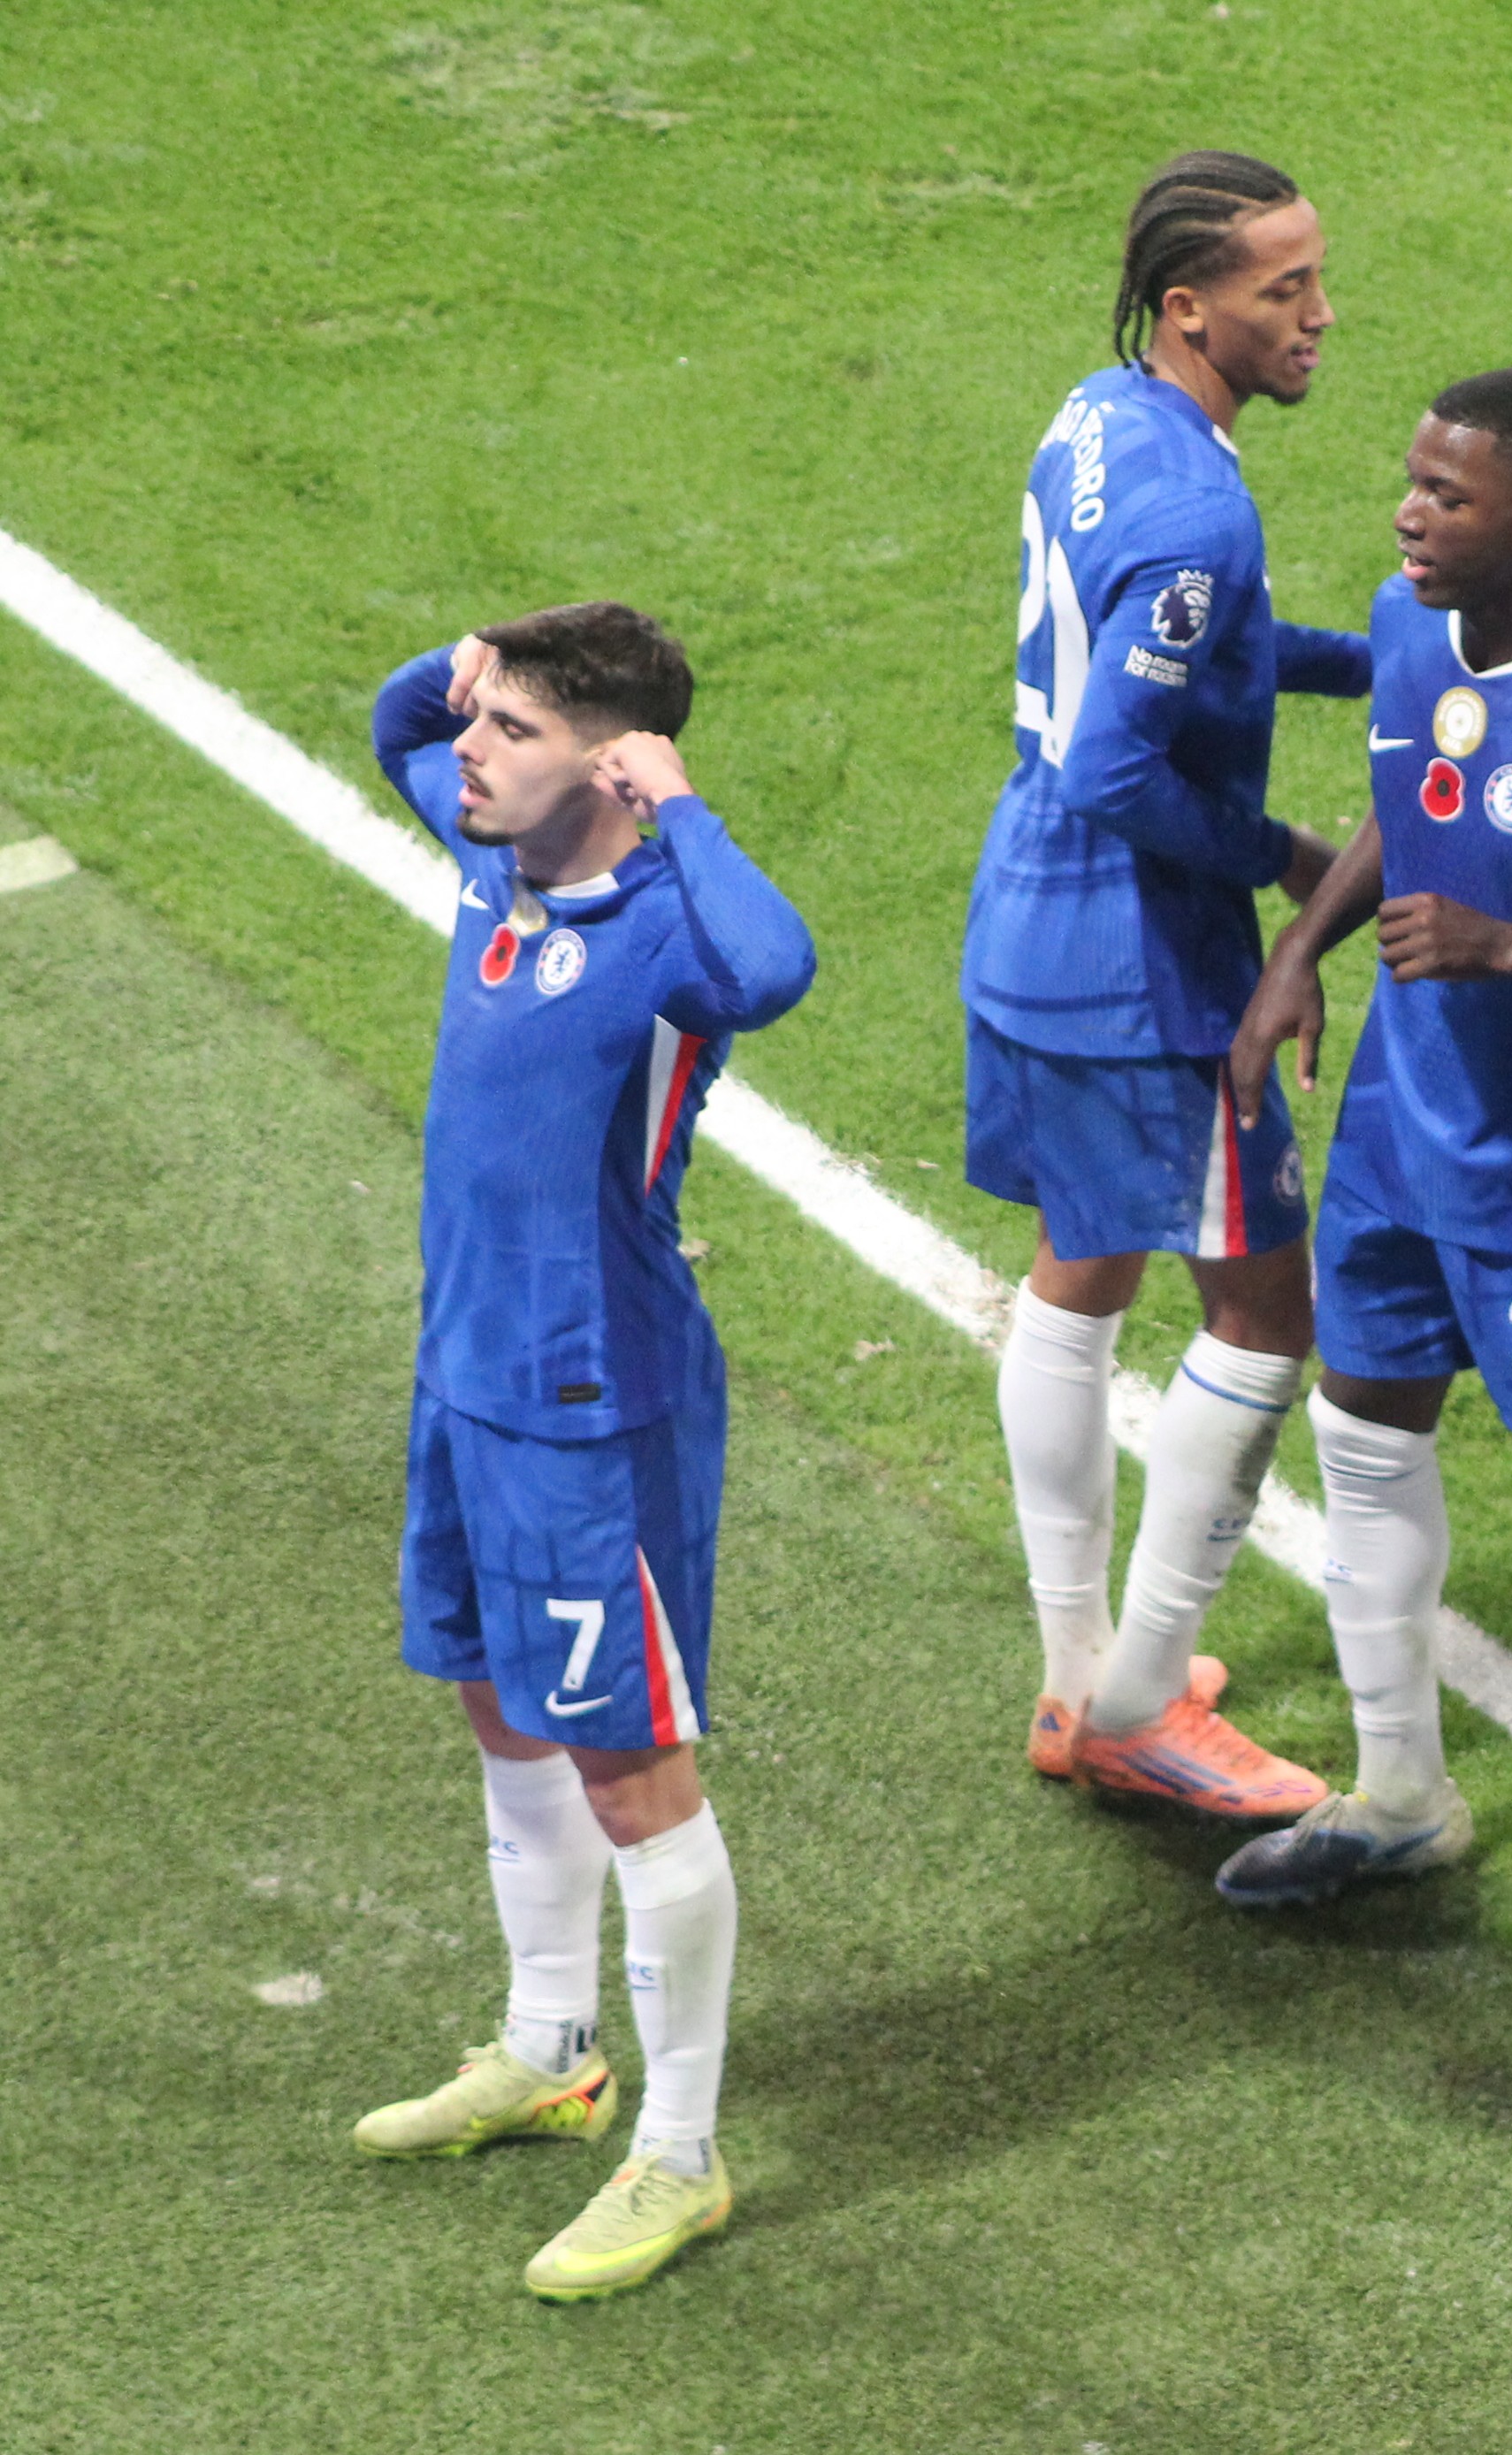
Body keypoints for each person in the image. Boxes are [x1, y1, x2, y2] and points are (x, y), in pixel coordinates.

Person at [352, 604, 816, 2300]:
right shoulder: (498, 860)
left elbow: (774, 967)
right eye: (486, 726)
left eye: (514, 733)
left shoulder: (667, 939)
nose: (469, 755)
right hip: (466, 1376)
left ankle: (680, 2155)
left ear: (611, 767)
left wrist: (678, 804)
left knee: (629, 1769)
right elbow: (396, 728)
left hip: (589, 1408)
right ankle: (549, 2047)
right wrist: (465, 662)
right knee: (498, 1706)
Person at [1213, 370, 1512, 1906]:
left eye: (1444, 497)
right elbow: (1401, 804)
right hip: (1400, 1135)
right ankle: (1399, 1789)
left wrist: (1507, 945)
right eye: (1412, 484)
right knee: (1361, 1428)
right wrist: (1300, 952)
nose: (1408, 517)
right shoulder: (1406, 627)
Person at [967, 152, 1367, 1824]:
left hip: (1027, 923)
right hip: (1139, 966)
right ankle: (1135, 1705)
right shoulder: (1200, 509)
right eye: (1286, 289)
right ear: (1190, 306)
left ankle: (1078, 1673)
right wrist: (1283, 856)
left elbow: (1192, 647)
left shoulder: (1098, 413)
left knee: (1080, 1269)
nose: (1320, 315)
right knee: (1266, 1313)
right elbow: (1117, 762)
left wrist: (1397, 656)